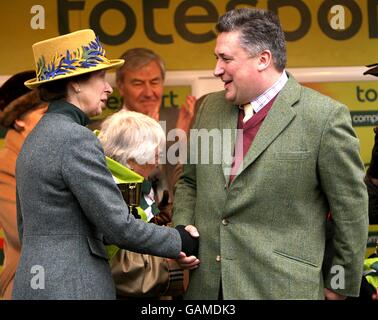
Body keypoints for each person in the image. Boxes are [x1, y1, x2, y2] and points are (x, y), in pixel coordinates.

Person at [173, 8, 368, 300]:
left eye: (226, 59)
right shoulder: (208, 108)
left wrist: (339, 285)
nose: (216, 69)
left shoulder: (324, 117)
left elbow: (350, 211)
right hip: (208, 291)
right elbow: (190, 182)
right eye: (217, 58)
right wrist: (183, 231)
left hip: (283, 289)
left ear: (263, 59)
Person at [12, 29, 198, 300]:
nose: (108, 88)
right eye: (101, 77)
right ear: (75, 83)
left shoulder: (35, 137)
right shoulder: (76, 138)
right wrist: (182, 240)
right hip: (73, 287)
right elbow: (117, 226)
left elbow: (24, 226)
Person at [97, 110, 187, 298]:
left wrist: (157, 223)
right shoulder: (113, 192)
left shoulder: (126, 182)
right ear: (130, 160)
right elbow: (121, 267)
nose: (158, 162)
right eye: (154, 154)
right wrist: (177, 261)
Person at [0, 71, 47, 299]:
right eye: (45, 113)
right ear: (19, 119)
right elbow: (28, 233)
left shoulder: (59, 154)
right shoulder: (4, 166)